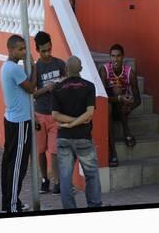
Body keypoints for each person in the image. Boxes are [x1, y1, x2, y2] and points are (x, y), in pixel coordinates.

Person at [52, 56, 102, 209]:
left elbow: (55, 115)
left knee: (65, 178)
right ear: (80, 69)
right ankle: (94, 206)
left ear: (66, 70)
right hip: (83, 138)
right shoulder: (89, 86)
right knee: (91, 175)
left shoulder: (57, 88)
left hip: (64, 138)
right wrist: (77, 121)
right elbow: (89, 114)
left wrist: (69, 124)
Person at [0, 34, 37, 213]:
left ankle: (10, 202)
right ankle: (12, 206)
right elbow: (31, 88)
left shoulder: (7, 67)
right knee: (17, 166)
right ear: (11, 49)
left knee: (9, 163)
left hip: (11, 120)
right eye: (20, 49)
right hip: (20, 122)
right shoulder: (14, 69)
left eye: (24, 48)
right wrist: (35, 65)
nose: (23, 52)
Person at [33, 31, 66, 195]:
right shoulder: (36, 68)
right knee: (40, 150)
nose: (47, 54)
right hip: (40, 114)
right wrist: (47, 88)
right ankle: (44, 179)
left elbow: (68, 85)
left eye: (49, 49)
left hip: (55, 114)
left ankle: (56, 181)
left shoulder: (60, 64)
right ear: (37, 50)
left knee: (54, 150)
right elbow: (32, 93)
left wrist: (61, 86)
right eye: (43, 51)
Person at [99, 44, 141, 167]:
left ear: (123, 57)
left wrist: (129, 107)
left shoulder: (130, 73)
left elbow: (138, 100)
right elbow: (102, 97)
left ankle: (126, 130)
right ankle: (113, 151)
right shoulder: (104, 70)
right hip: (109, 106)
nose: (115, 59)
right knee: (109, 106)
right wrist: (118, 98)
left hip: (121, 108)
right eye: (113, 56)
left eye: (118, 56)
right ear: (110, 57)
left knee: (121, 99)